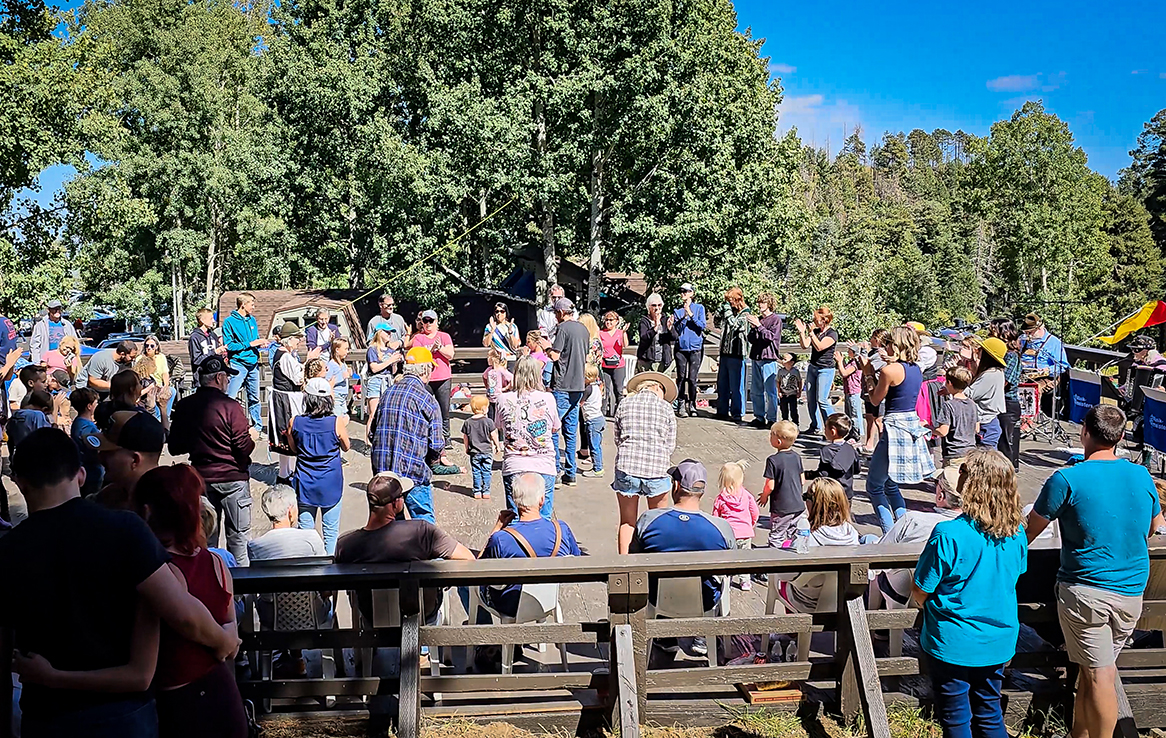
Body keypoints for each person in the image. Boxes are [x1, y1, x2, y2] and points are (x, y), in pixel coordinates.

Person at [1, 428, 239, 738]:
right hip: (123, 713)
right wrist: (225, 641)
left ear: (20, 482)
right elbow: (184, 614)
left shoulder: (8, 551)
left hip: (47, 714)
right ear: (82, 475)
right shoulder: (125, 530)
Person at [1026, 405, 1164, 738]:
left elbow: (1028, 532)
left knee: (1100, 674)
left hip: (1086, 591)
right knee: (1092, 673)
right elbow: (1153, 526)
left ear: (1084, 432)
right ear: (1119, 437)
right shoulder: (1141, 475)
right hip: (1131, 591)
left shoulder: (1067, 478)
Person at [912, 449, 1027, 738]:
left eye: (963, 471)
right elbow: (1014, 576)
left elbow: (920, 590)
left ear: (973, 482)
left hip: (953, 639)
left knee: (956, 720)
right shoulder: (1017, 533)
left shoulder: (948, 533)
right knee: (990, 714)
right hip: (998, 638)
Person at [132, 464, 249, 738]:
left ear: (146, 512)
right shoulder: (216, 562)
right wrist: (228, 638)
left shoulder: (159, 573)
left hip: (182, 702)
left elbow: (188, 624)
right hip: (223, 693)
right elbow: (230, 623)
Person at [335, 472, 474, 664]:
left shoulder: (346, 543)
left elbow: (332, 588)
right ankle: (423, 651)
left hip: (373, 616)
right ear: (396, 504)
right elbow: (468, 558)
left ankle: (370, 652)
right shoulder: (421, 532)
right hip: (420, 614)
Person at [630, 459, 734, 657]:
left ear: (676, 485)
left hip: (658, 597)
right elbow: (731, 568)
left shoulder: (649, 520)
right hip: (704, 600)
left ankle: (665, 636)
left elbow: (634, 558)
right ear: (701, 490)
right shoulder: (721, 527)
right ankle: (702, 636)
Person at [168, 355, 256, 565]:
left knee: (206, 541)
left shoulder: (185, 406)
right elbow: (243, 447)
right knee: (239, 541)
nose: (228, 381)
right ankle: (241, 592)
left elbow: (175, 447)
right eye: (226, 377)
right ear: (218, 377)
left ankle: (211, 589)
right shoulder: (231, 407)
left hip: (202, 479)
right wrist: (251, 440)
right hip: (233, 477)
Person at [247, 484, 330, 666]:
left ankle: (289, 658)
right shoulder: (311, 538)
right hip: (312, 614)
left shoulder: (255, 546)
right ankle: (302, 659)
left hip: (273, 616)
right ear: (291, 511)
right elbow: (326, 581)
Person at [478, 472, 582, 616]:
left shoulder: (501, 538)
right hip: (547, 601)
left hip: (511, 605)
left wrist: (496, 528)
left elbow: (479, 569)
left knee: (467, 587)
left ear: (515, 501)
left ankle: (480, 630)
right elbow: (577, 559)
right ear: (542, 500)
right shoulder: (562, 529)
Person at [866, 325, 935, 533]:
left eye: (888, 343)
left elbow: (875, 399)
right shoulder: (916, 368)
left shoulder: (889, 370)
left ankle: (891, 533)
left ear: (896, 345)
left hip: (894, 427)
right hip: (910, 424)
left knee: (874, 486)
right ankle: (905, 527)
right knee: (890, 483)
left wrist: (869, 374)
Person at [870, 465, 963, 612]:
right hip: (949, 596)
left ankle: (873, 628)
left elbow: (877, 559)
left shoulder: (913, 520)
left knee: (874, 560)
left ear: (941, 496)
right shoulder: (976, 530)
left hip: (915, 592)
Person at [369, 347, 445, 523]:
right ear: (425, 370)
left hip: (383, 473)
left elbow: (372, 433)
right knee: (424, 524)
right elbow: (436, 444)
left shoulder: (387, 393)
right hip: (413, 472)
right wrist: (432, 461)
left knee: (391, 526)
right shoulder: (427, 400)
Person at [773, 478, 862, 615]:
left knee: (784, 579)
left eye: (806, 497)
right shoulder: (852, 534)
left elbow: (784, 575)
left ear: (815, 504)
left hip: (806, 603)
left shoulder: (808, 540)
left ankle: (791, 631)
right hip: (841, 601)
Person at [613, 371, 678, 554]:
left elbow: (618, 439)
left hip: (627, 466)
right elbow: (670, 445)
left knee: (627, 521)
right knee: (659, 520)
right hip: (657, 468)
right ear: (657, 387)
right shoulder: (666, 408)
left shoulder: (625, 403)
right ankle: (656, 561)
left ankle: (624, 565)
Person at [287, 377, 350, 554]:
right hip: (330, 480)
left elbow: (293, 448)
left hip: (305, 480)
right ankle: (330, 571)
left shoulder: (295, 422)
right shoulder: (336, 422)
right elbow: (346, 446)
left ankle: (307, 570)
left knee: (306, 531)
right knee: (330, 532)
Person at [495, 357, 562, 519]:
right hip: (543, 463)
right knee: (543, 516)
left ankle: (516, 544)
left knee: (515, 517)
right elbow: (555, 427)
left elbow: (499, 425)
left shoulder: (503, 399)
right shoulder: (548, 398)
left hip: (515, 463)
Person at [541, 297, 589, 486]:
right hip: (578, 384)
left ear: (561, 313)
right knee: (570, 431)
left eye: (555, 313)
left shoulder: (563, 329)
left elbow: (555, 355)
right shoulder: (583, 329)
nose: (555, 316)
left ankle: (555, 470)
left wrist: (546, 347)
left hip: (562, 385)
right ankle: (571, 473)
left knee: (553, 428)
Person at [270, 321, 320, 483]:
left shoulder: (284, 355)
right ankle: (284, 475)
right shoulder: (285, 356)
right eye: (297, 338)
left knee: (287, 436)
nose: (299, 341)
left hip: (285, 398)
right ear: (289, 339)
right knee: (288, 434)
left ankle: (287, 472)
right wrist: (309, 360)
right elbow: (298, 378)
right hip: (285, 400)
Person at [93, 411, 164, 511]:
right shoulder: (110, 496)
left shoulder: (164, 508)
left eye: (109, 452)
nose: (100, 457)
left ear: (135, 460)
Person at [408, 309, 456, 445]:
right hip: (425, 378)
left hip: (443, 377)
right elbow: (418, 356)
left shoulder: (444, 336)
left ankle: (446, 439)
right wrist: (430, 350)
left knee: (444, 410)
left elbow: (450, 355)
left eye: (431, 321)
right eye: (425, 321)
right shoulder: (418, 338)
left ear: (436, 322)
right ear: (422, 323)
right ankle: (426, 436)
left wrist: (439, 347)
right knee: (424, 409)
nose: (428, 324)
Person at [222, 292, 268, 432]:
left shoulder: (252, 320)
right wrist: (251, 343)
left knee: (254, 397)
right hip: (238, 364)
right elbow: (229, 345)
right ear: (243, 304)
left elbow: (255, 340)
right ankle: (227, 426)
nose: (253, 307)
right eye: (251, 304)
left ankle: (257, 427)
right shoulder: (229, 322)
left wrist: (260, 344)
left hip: (253, 364)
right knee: (231, 396)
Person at [712, 461, 759, 591]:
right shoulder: (747, 495)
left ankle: (727, 578)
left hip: (729, 533)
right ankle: (745, 582)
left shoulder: (720, 499)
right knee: (745, 558)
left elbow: (716, 518)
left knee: (729, 557)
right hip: (746, 533)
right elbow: (754, 511)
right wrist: (751, 523)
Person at [760, 420, 804, 546]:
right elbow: (802, 480)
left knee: (777, 535)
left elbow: (770, 485)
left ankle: (775, 558)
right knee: (794, 533)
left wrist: (764, 496)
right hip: (797, 504)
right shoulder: (797, 456)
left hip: (781, 506)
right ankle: (793, 553)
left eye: (771, 435)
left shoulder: (773, 460)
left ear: (778, 441)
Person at [795, 306, 838, 436]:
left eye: (816, 318)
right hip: (813, 367)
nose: (814, 320)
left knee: (822, 400)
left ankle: (833, 428)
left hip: (825, 369)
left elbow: (819, 347)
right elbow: (805, 345)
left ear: (824, 320)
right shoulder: (817, 331)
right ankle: (815, 426)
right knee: (811, 399)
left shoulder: (832, 334)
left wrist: (811, 333)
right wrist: (802, 332)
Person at [990, 318, 1023, 471]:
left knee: (1004, 442)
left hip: (1008, 403)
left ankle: (1006, 475)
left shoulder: (1011, 356)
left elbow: (1005, 381)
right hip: (999, 401)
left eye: (993, 330)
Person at [747, 293, 784, 427]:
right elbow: (751, 339)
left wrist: (759, 326)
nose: (760, 305)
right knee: (756, 390)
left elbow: (770, 337)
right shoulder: (759, 320)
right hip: (756, 356)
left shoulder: (775, 320)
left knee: (770, 391)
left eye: (762, 302)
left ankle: (772, 418)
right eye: (759, 302)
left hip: (768, 358)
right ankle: (759, 417)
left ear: (769, 304)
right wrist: (753, 328)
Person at [671, 282, 707, 418]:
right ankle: (681, 404)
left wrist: (691, 314)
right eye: (681, 291)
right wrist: (682, 318)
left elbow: (702, 326)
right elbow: (676, 329)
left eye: (686, 291)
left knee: (692, 379)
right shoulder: (677, 311)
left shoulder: (699, 308)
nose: (683, 294)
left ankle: (692, 404)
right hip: (681, 348)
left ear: (692, 293)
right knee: (681, 377)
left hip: (696, 348)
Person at [716, 288, 750, 422]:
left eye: (731, 301)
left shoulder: (745, 314)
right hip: (724, 353)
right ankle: (722, 411)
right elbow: (717, 324)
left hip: (737, 354)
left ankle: (737, 413)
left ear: (738, 300)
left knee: (736, 386)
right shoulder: (728, 311)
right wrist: (719, 312)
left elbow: (735, 326)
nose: (729, 304)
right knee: (722, 384)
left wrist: (728, 313)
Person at [933, 366, 978, 464]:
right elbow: (976, 429)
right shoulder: (972, 404)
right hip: (970, 452)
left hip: (954, 453)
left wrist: (927, 427)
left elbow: (942, 431)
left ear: (949, 383)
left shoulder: (949, 405)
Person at [967, 337, 1007, 448]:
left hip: (986, 424)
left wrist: (956, 379)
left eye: (981, 349)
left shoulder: (991, 374)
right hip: (988, 422)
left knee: (985, 460)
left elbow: (968, 393)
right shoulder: (993, 373)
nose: (978, 350)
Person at [814, 413, 861, 498]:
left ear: (833, 431)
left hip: (831, 492)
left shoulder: (826, 450)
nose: (824, 431)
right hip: (847, 492)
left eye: (825, 428)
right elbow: (857, 469)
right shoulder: (851, 449)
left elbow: (823, 473)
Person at [861, 328, 891, 452]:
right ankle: (872, 444)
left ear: (878, 340)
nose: (870, 340)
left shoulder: (880, 355)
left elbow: (867, 366)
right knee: (872, 418)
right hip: (870, 389)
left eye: (873, 337)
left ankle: (883, 448)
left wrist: (861, 352)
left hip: (879, 390)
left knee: (879, 420)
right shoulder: (873, 353)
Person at [70, 387, 104, 497]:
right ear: (89, 406)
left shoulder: (78, 422)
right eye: (96, 403)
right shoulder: (87, 427)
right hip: (92, 472)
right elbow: (95, 448)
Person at [463, 395, 499, 500]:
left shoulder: (468, 422)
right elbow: (493, 435)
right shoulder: (488, 422)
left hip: (474, 451)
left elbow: (465, 437)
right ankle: (486, 491)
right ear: (484, 409)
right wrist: (497, 445)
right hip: (487, 451)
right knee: (487, 471)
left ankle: (477, 491)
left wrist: (466, 448)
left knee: (476, 471)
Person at [364, 326, 400, 422]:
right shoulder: (372, 349)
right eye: (387, 332)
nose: (389, 334)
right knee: (373, 413)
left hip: (388, 381)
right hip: (376, 381)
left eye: (390, 332)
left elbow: (393, 371)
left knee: (386, 412)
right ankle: (368, 437)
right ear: (379, 333)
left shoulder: (390, 350)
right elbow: (374, 368)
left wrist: (394, 363)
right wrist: (390, 360)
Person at [28, 298, 78, 365]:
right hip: (46, 362)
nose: (57, 311)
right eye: (54, 309)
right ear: (49, 310)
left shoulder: (67, 325)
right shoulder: (40, 325)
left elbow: (75, 342)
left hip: (63, 361)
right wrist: (36, 362)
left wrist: (71, 358)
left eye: (59, 309)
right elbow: (34, 345)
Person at [1019, 312, 1068, 376]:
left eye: (1030, 332)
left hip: (1044, 378)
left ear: (1039, 328)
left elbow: (1063, 366)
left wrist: (1048, 370)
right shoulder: (1022, 340)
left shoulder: (1054, 342)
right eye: (1025, 332)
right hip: (1022, 374)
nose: (1027, 335)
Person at [141, 335, 175, 427]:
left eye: (152, 346)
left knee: (172, 391)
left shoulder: (161, 357)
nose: (149, 348)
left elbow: (165, 373)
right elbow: (142, 377)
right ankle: (158, 418)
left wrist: (166, 386)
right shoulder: (140, 359)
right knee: (153, 394)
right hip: (147, 386)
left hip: (159, 385)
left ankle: (165, 416)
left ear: (156, 346)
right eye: (147, 345)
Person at [599, 311, 629, 416]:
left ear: (616, 321)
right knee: (604, 391)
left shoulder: (620, 332)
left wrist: (624, 333)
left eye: (611, 320)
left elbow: (625, 345)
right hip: (604, 364)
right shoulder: (601, 333)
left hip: (618, 365)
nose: (608, 322)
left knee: (619, 391)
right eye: (606, 320)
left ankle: (620, 414)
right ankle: (602, 413)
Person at [636, 293, 674, 374]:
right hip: (647, 361)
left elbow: (675, 337)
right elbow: (644, 338)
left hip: (664, 361)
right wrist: (655, 327)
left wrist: (670, 329)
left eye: (659, 305)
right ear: (649, 307)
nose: (657, 308)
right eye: (654, 305)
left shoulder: (665, 320)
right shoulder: (644, 321)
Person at [580, 363, 606, 478]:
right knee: (597, 445)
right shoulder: (596, 386)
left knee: (594, 446)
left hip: (593, 420)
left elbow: (581, 403)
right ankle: (598, 465)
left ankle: (598, 469)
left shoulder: (588, 389)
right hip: (599, 418)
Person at [188, 307, 227, 382]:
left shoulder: (213, 335)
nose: (213, 321)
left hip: (215, 377)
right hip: (202, 379)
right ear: (202, 320)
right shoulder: (195, 337)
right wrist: (214, 352)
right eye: (211, 318)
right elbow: (196, 360)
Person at [836, 346, 866, 438]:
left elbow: (844, 373)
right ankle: (850, 432)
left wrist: (839, 361)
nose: (847, 352)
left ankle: (856, 434)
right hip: (848, 390)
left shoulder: (855, 364)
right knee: (848, 413)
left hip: (854, 391)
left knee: (854, 414)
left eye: (849, 351)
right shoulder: (851, 362)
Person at [483, 348, 512, 420]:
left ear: (492, 358)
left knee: (500, 416)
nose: (487, 359)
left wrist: (505, 388)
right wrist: (487, 387)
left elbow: (512, 379)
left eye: (488, 357)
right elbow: (484, 377)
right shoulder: (489, 370)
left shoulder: (501, 370)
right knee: (491, 416)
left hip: (499, 397)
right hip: (491, 397)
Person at [326, 337, 351, 418]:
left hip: (343, 397)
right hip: (336, 396)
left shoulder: (342, 363)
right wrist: (342, 377)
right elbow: (328, 381)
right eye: (345, 349)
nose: (347, 351)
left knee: (344, 417)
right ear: (337, 350)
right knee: (337, 418)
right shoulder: (331, 364)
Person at [777, 353, 802, 425]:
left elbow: (799, 381)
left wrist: (799, 391)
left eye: (785, 359)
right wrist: (779, 391)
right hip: (783, 393)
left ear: (791, 362)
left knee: (793, 409)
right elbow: (778, 381)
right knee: (784, 409)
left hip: (792, 393)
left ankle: (795, 423)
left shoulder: (795, 371)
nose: (783, 361)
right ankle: (785, 421)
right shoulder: (780, 371)